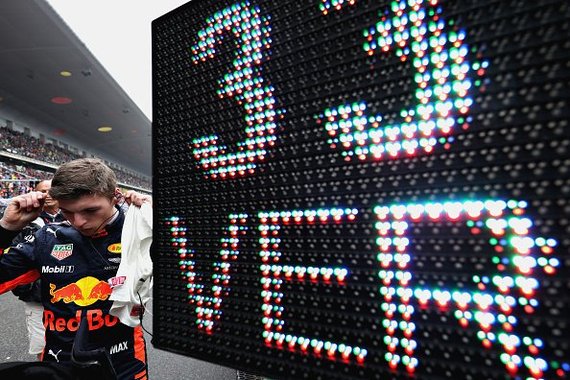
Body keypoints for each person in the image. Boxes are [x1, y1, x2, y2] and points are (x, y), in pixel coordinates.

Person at [0, 158, 151, 380]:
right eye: (67, 211)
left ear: (114, 196)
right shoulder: (47, 238)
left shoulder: (139, 231)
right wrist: (5, 230)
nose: (79, 222)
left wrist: (160, 220)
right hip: (60, 366)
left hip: (125, 365)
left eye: (90, 210)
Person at [11, 179, 66, 360]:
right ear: (36, 194)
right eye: (43, 191)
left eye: (51, 190)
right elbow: (11, 261)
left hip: (68, 301)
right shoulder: (24, 221)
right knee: (42, 350)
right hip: (37, 302)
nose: (48, 194)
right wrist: (30, 291)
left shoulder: (74, 218)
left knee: (72, 348)